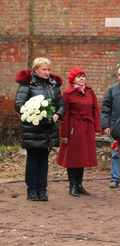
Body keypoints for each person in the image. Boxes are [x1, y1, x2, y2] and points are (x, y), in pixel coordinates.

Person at [14, 57, 66, 201]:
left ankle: (42, 190)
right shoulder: (27, 85)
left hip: (48, 130)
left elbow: (61, 105)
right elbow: (19, 105)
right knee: (33, 159)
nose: (47, 72)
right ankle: (32, 190)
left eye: (48, 69)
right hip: (33, 129)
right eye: (44, 69)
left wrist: (57, 115)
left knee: (44, 159)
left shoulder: (53, 85)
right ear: (35, 69)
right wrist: (37, 113)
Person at [57, 68, 101, 197]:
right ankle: (73, 185)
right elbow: (63, 114)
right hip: (73, 128)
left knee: (82, 156)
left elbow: (95, 110)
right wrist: (64, 134)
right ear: (73, 79)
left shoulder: (90, 91)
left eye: (83, 76)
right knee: (73, 157)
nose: (82, 79)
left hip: (87, 128)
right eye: (78, 77)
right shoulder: (67, 93)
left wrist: (97, 128)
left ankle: (80, 184)